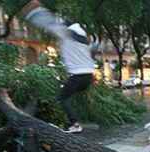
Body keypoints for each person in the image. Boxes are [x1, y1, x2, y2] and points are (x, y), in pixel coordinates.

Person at [20, 0, 95, 133]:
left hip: (78, 76)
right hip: (89, 76)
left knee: (62, 98)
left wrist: (35, 13)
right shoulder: (83, 39)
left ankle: (75, 124)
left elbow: (50, 24)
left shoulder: (69, 34)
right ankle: (81, 119)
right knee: (72, 96)